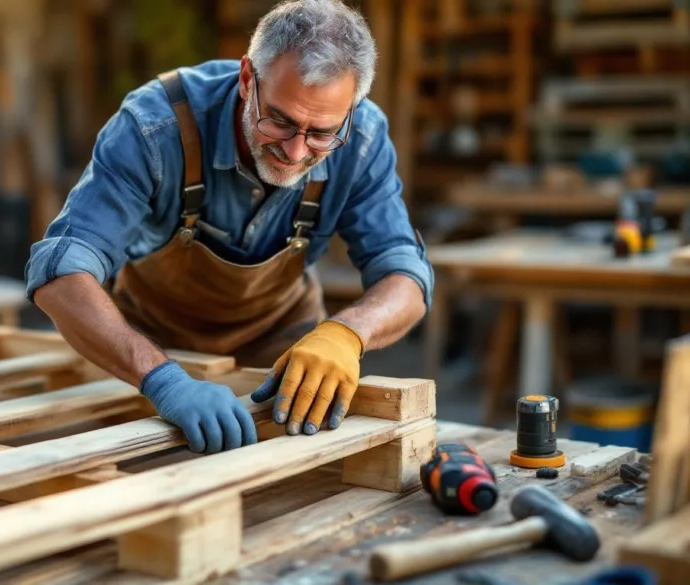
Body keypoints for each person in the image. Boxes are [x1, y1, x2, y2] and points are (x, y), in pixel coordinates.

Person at [24, 0, 433, 454]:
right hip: (150, 350)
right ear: (246, 79)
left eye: (321, 133)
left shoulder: (363, 140)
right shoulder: (155, 126)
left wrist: (348, 332)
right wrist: (164, 382)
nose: (296, 153)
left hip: (280, 358)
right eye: (279, 121)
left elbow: (406, 276)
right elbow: (58, 271)